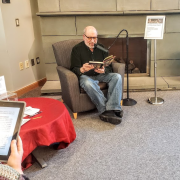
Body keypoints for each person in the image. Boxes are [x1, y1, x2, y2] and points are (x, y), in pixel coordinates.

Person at [70, 26, 123, 125]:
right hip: (86, 77)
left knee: (117, 77)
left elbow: (109, 67)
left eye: (95, 38)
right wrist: (82, 69)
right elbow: (73, 69)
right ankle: (105, 110)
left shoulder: (102, 48)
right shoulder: (76, 49)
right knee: (87, 82)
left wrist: (104, 70)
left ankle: (112, 107)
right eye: (89, 37)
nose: (92, 41)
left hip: (100, 75)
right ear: (84, 37)